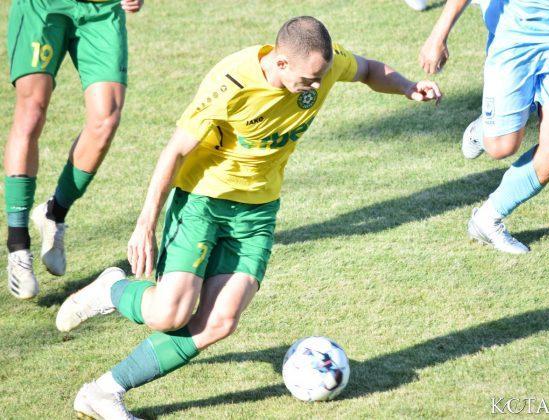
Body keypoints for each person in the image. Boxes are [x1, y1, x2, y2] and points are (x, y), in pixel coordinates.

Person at [55, 16, 442, 418]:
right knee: (168, 315)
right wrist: (145, 223)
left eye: (321, 78)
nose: (316, 87)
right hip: (203, 202)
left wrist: (406, 86)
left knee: (220, 322)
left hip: (257, 212)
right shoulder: (231, 83)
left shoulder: (321, 66)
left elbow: (368, 70)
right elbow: (176, 150)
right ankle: (113, 290)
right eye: (308, 80)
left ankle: (102, 392)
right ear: (281, 63)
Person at [420, 0, 549, 253]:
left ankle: (488, 219)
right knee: (501, 147)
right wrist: (438, 35)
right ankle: (485, 129)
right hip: (514, 36)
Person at [5, 0, 144, 299]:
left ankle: (54, 213)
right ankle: (17, 245)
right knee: (31, 113)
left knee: (105, 120)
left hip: (101, 10)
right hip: (43, 7)